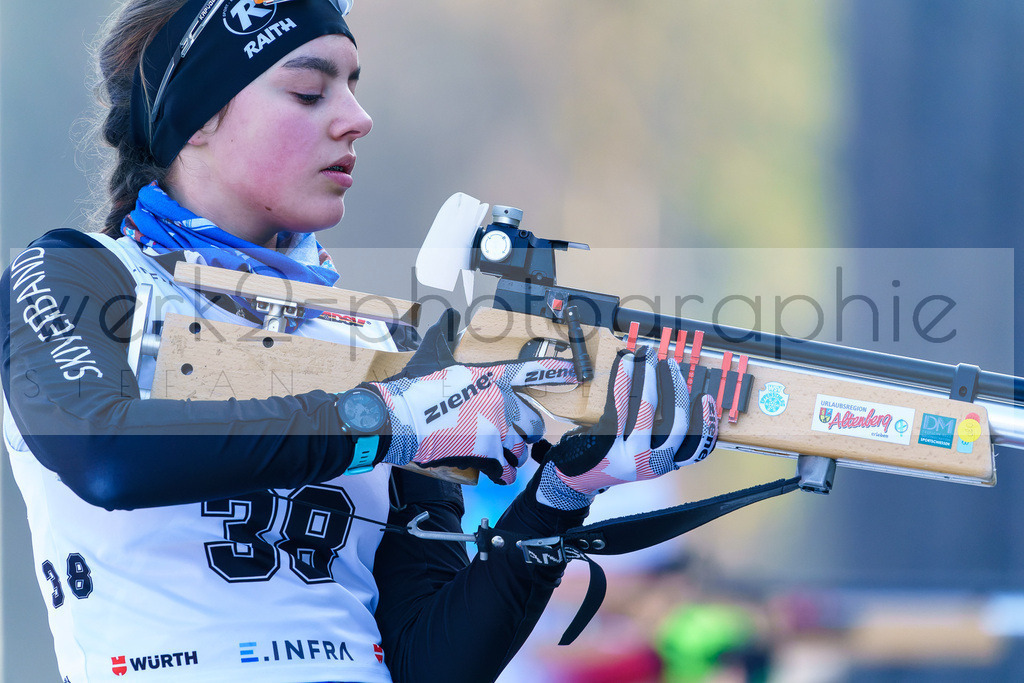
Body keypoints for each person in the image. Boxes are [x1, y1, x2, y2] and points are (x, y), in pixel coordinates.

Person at [1, 1, 719, 681]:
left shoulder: (380, 345)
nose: (357, 118)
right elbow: (105, 454)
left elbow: (425, 663)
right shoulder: (74, 274)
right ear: (197, 119)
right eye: (310, 92)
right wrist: (391, 422)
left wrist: (564, 491)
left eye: (353, 86)